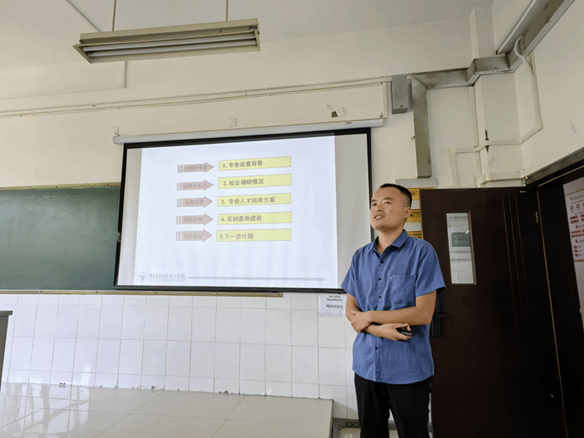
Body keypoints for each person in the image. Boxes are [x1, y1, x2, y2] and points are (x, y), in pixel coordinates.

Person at [342, 183, 445, 438]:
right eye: (373, 203)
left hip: (407, 368)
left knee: (413, 433)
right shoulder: (359, 257)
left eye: (387, 202)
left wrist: (370, 316)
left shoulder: (422, 252)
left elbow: (423, 313)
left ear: (406, 212)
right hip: (366, 365)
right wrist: (380, 330)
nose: (377, 208)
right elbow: (351, 311)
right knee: (371, 433)